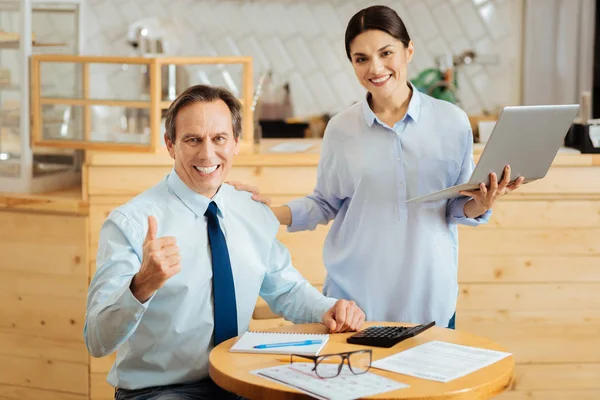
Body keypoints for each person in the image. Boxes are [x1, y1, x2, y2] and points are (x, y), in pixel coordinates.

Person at [230, 5, 523, 330]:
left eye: (386, 53)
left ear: (408, 50)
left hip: (429, 300)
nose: (376, 67)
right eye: (361, 59)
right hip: (355, 303)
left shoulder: (452, 122)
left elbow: (454, 206)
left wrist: (480, 203)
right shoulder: (341, 128)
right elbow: (325, 203)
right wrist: (268, 215)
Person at [84, 84, 366, 400]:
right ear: (170, 145)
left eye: (218, 138)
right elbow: (97, 340)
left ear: (235, 144)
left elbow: (285, 288)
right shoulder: (131, 223)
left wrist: (328, 309)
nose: (207, 154)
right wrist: (142, 286)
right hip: (162, 390)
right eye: (192, 140)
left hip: (240, 379)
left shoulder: (250, 209)